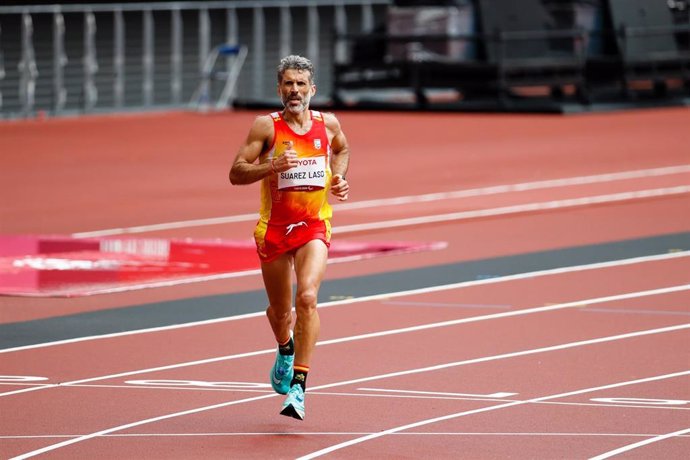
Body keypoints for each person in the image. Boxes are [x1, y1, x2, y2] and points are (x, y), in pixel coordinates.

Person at [229, 55, 350, 420]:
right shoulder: (266, 127)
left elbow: (341, 149)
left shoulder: (327, 124)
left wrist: (339, 177)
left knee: (308, 298)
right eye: (288, 84)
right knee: (282, 313)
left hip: (314, 224)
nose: (294, 90)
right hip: (275, 230)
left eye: (301, 84)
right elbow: (236, 173)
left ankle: (299, 386)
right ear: (278, 88)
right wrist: (271, 166)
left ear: (313, 89)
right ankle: (285, 346)